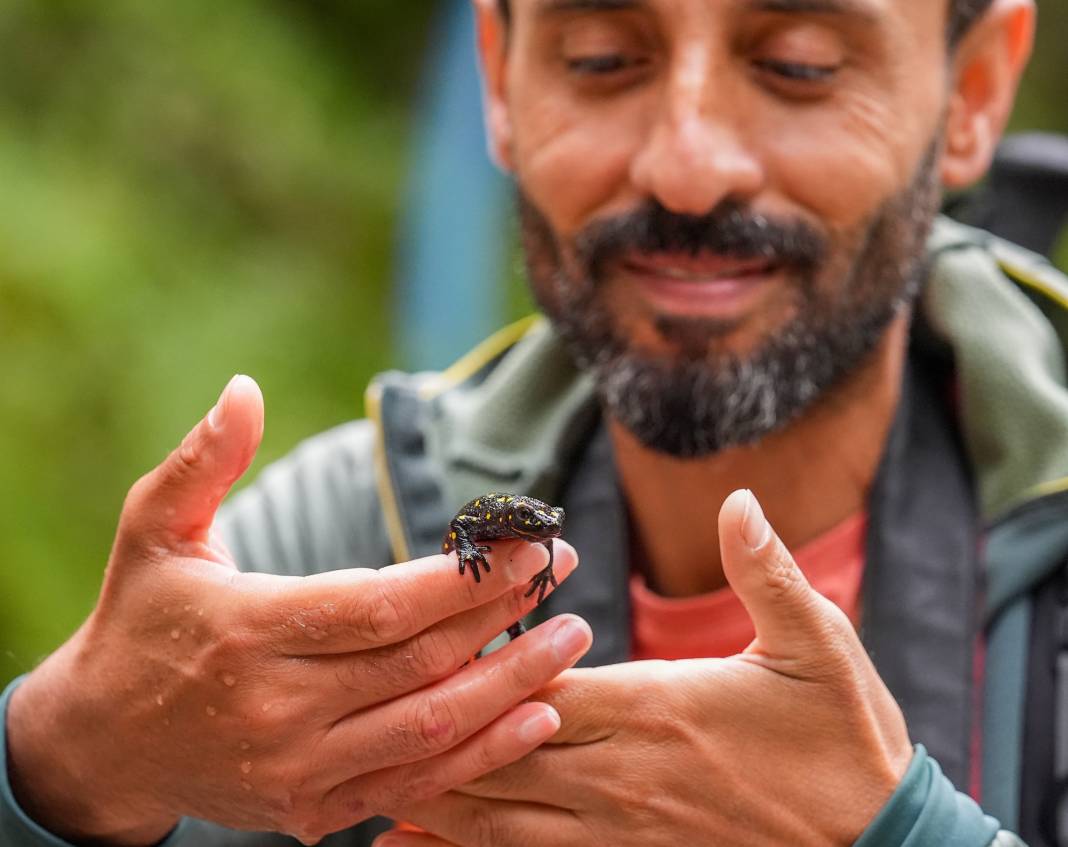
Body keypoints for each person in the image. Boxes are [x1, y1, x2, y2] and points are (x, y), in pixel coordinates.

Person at [0, 0, 1058, 843]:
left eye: (799, 63)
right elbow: (86, 758)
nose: (686, 166)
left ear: (972, 88)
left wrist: (904, 832)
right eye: (601, 56)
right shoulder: (330, 546)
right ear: (498, 74)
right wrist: (67, 759)